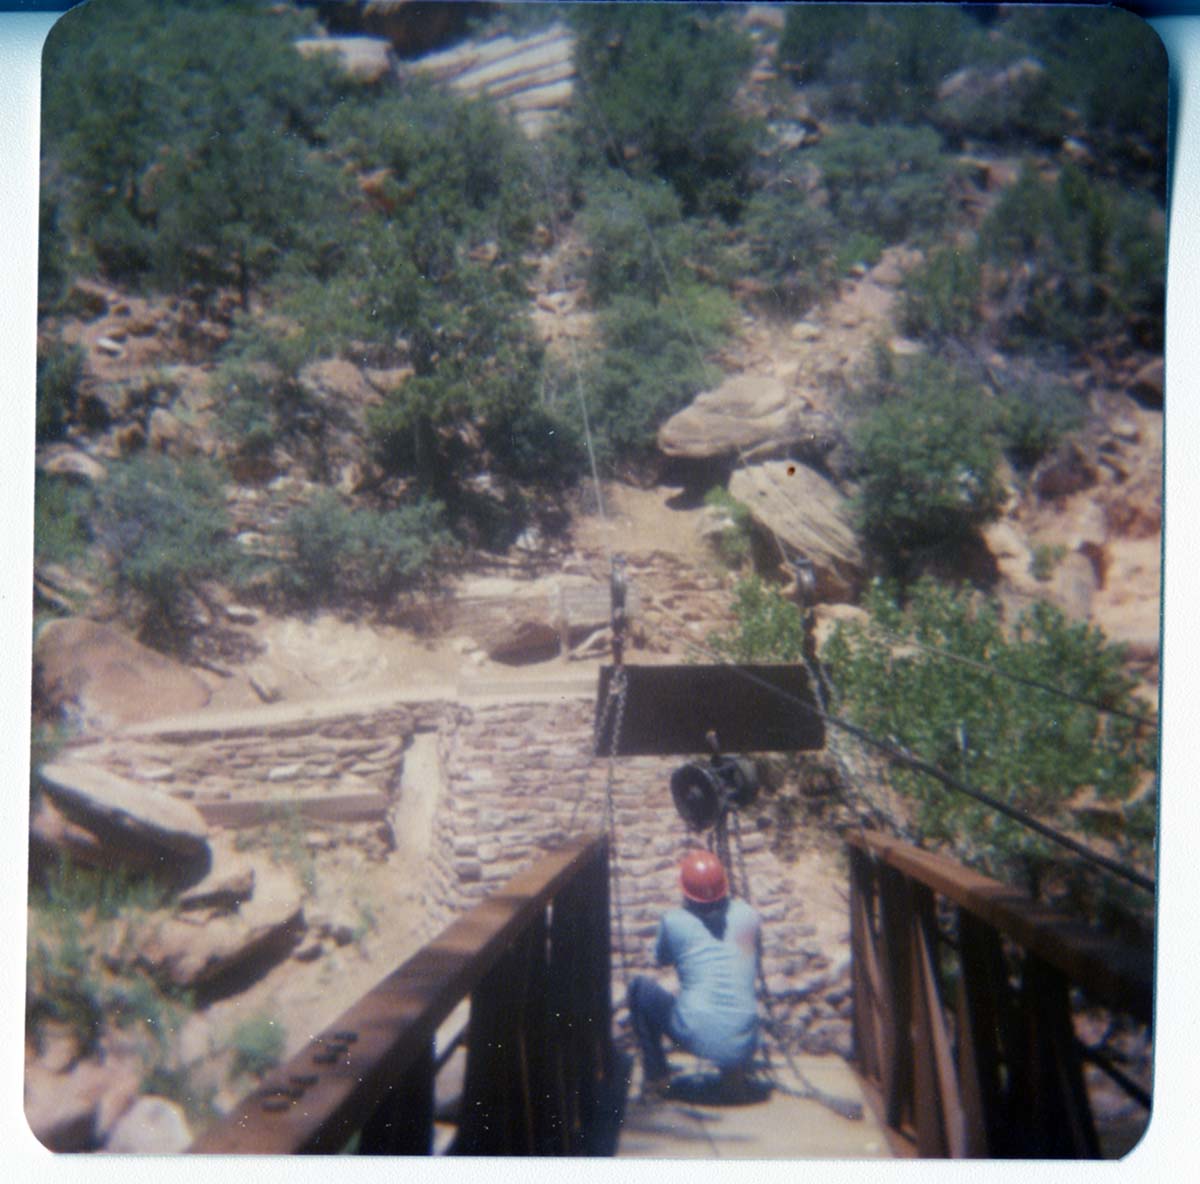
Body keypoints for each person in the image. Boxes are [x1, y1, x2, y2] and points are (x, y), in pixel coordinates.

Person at [628, 849, 762, 1099]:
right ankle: (732, 1075)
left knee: (639, 989)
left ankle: (657, 1079)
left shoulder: (673, 920)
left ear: (685, 890)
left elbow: (662, 958)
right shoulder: (748, 914)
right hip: (744, 1038)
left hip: (695, 1031)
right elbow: (752, 959)